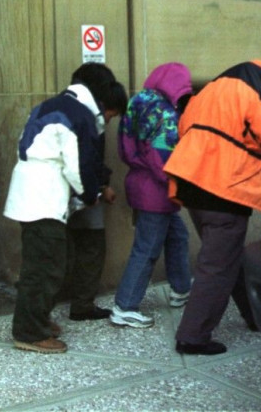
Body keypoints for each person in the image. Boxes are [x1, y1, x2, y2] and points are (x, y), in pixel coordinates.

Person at [164, 60, 261, 355]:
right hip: (226, 190)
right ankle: (192, 337)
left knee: (226, 255)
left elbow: (184, 126)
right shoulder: (249, 92)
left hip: (193, 185)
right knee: (216, 266)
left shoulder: (207, 92)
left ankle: (253, 316)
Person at [4, 63, 124, 354]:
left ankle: (38, 320)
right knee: (44, 269)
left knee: (43, 263)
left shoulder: (54, 104)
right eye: (110, 114)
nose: (108, 120)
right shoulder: (80, 115)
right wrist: (92, 192)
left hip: (31, 193)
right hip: (43, 198)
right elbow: (78, 168)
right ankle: (30, 332)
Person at [111, 62, 193, 328]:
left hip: (139, 180)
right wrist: (181, 185)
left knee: (177, 235)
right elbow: (164, 158)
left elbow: (128, 147)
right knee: (147, 248)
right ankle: (125, 306)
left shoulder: (140, 101)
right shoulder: (165, 112)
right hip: (157, 190)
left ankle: (181, 289)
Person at [63, 76, 127, 323]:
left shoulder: (66, 110)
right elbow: (88, 161)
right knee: (91, 247)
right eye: (111, 115)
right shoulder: (90, 119)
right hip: (82, 194)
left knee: (68, 251)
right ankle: (82, 304)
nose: (109, 121)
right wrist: (99, 189)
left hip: (63, 196)